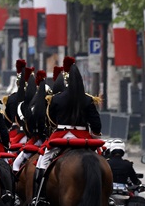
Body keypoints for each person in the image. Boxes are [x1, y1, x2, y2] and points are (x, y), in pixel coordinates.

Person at [32, 57, 101, 206]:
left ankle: (39, 198)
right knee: (101, 160)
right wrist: (94, 132)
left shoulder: (56, 99)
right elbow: (97, 125)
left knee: (42, 161)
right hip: (83, 137)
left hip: (62, 135)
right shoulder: (88, 100)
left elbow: (51, 120)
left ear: (66, 81)